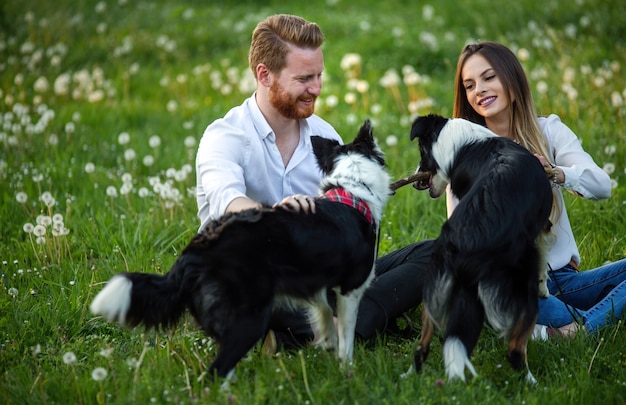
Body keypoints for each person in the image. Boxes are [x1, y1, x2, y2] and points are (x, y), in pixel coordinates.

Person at [195, 14, 433, 350]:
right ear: (264, 75)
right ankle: (349, 325)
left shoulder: (324, 136)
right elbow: (226, 199)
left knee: (433, 253)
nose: (317, 88)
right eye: (304, 78)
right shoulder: (226, 136)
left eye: (319, 75)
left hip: (318, 275)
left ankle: (312, 330)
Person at [451, 41, 626, 338]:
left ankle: (567, 331)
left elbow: (601, 185)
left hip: (565, 279)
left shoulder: (549, 131)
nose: (478, 89)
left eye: (489, 77)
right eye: (469, 85)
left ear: (512, 80)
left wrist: (555, 173)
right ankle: (585, 325)